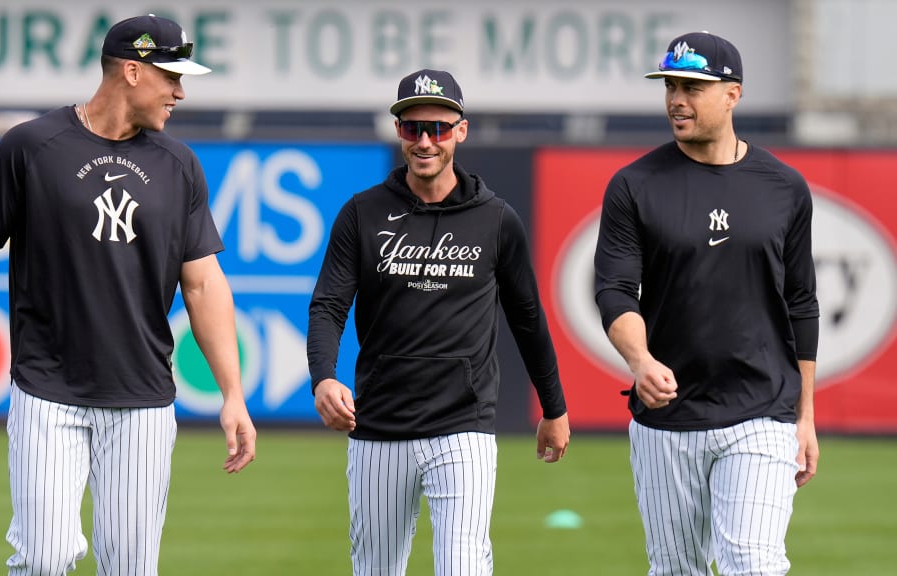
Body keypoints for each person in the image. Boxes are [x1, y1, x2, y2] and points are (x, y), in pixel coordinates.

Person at [0, 14, 256, 576]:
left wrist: (233, 394)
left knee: (129, 567)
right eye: (171, 76)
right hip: (47, 392)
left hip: (143, 399)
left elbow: (202, 283)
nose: (180, 92)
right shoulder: (32, 146)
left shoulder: (179, 165)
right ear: (132, 71)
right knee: (44, 558)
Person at [307, 68, 571, 576]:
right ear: (398, 132)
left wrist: (554, 407)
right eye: (413, 128)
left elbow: (528, 320)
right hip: (379, 427)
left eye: (438, 128)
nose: (425, 141)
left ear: (461, 131)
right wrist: (323, 377)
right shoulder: (361, 214)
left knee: (462, 566)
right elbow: (328, 306)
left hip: (463, 427)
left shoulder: (497, 220)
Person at [593, 31, 819, 575]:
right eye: (670, 87)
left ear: (732, 94)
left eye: (692, 88)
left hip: (762, 410)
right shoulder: (633, 185)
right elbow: (615, 290)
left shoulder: (785, 187)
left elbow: (801, 302)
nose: (677, 100)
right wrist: (640, 361)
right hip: (667, 418)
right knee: (675, 570)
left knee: (754, 562)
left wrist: (805, 416)